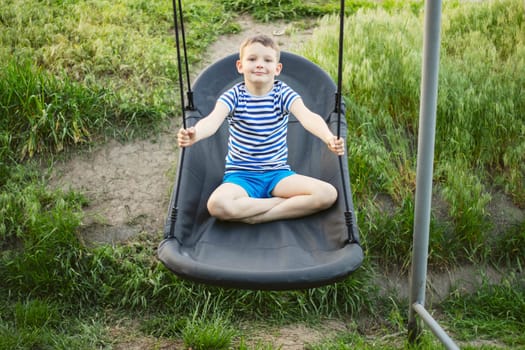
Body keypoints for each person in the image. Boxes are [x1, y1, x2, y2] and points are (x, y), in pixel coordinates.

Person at [178, 34, 345, 224]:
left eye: (267, 60)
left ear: (277, 68)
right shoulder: (233, 96)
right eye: (252, 59)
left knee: (327, 194)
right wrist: (195, 133)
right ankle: (280, 204)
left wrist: (328, 137)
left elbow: (308, 117)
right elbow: (212, 121)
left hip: (278, 175)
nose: (259, 64)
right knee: (217, 205)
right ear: (240, 66)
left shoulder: (283, 93)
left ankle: (258, 216)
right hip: (241, 176)